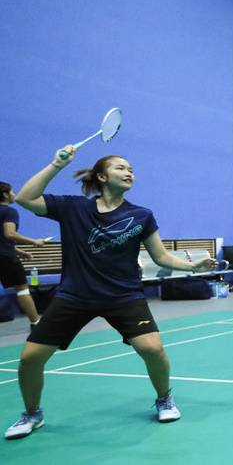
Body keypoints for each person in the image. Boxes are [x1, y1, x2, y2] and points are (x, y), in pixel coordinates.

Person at [5, 146, 215, 440]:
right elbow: (25, 198)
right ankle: (32, 413)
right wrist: (56, 164)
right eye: (120, 167)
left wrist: (194, 266)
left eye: (131, 169)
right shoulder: (73, 207)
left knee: (152, 349)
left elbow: (161, 257)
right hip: (74, 295)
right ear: (102, 176)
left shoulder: (141, 215)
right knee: (30, 358)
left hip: (123, 295)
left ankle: (164, 398)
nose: (129, 172)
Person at [0, 182, 50, 330]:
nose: (14, 194)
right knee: (22, 289)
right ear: (5, 195)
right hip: (5, 258)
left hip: (5, 254)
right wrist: (34, 241)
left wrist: (20, 252)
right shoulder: (9, 212)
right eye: (12, 191)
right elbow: (9, 234)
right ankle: (36, 322)